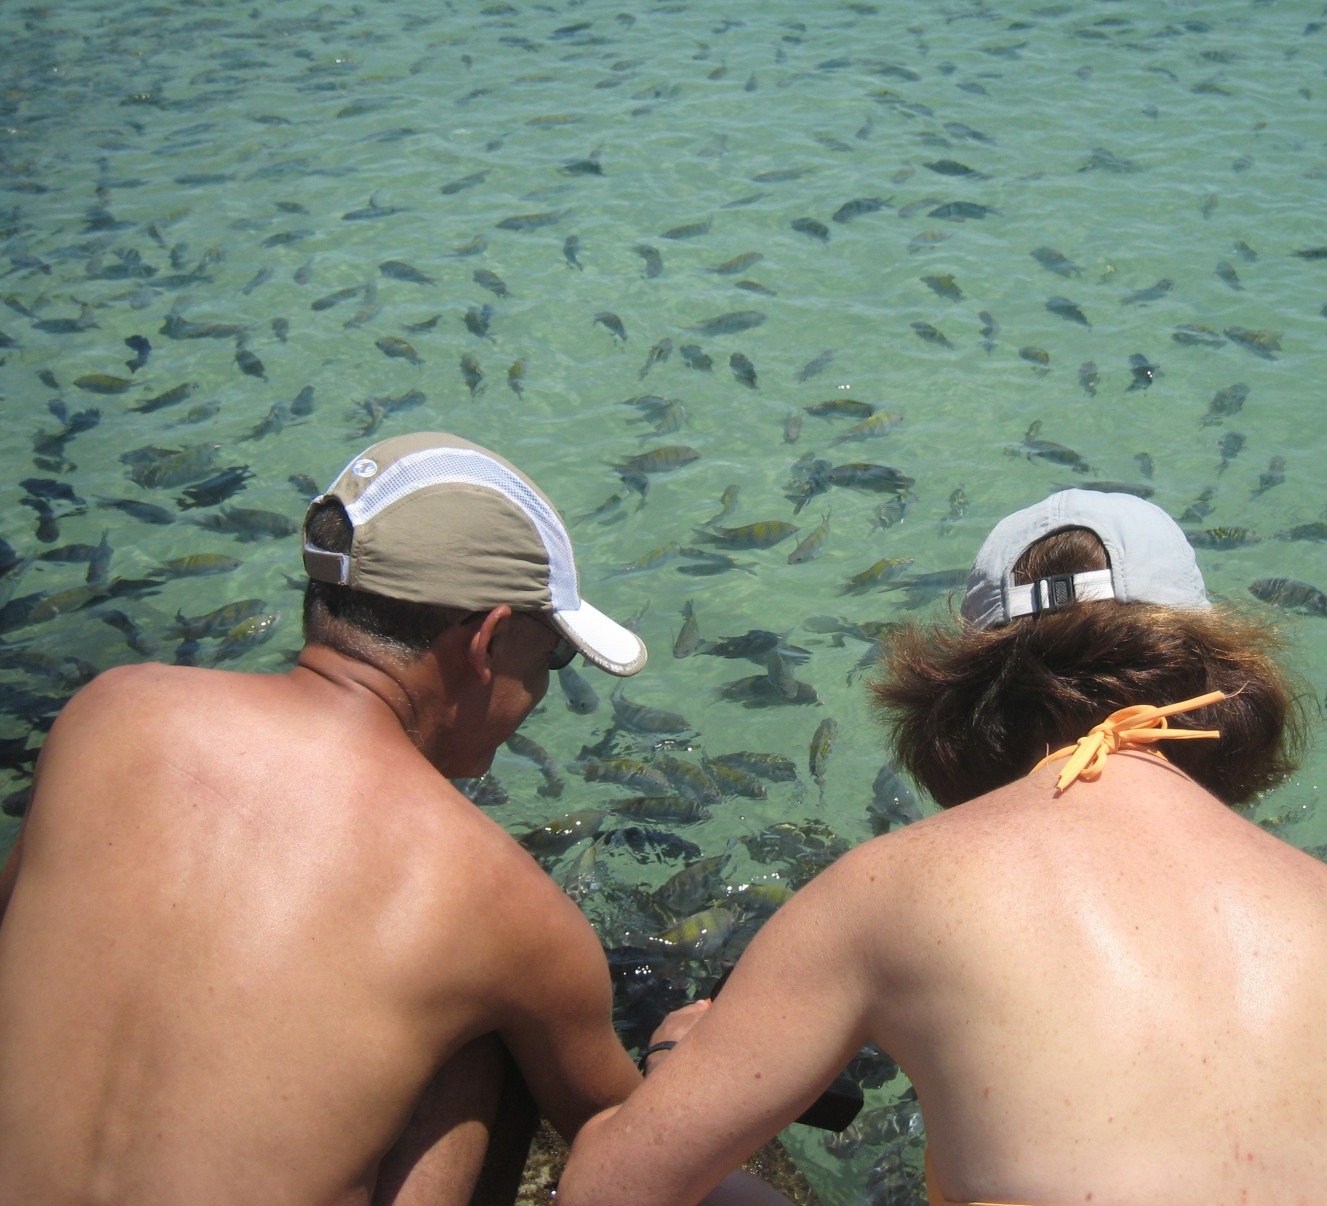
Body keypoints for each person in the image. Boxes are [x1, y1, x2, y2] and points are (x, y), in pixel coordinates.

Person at [558, 488, 1327, 1206]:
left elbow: (606, 1193)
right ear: (1207, 670)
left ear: (968, 692)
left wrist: (678, 1060)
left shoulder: (895, 886)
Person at [0, 432, 780, 1204]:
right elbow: (636, 1158)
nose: (541, 694)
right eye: (554, 659)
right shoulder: (495, 898)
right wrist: (682, 1069)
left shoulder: (108, 715)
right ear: (489, 640)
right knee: (490, 1041)